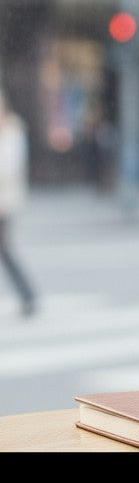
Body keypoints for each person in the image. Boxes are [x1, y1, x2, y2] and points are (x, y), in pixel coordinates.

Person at [0, 88, 37, 317]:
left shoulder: (11, 132)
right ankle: (27, 294)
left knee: (5, 250)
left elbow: (8, 167)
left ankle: (27, 294)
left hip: (4, 203)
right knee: (5, 250)